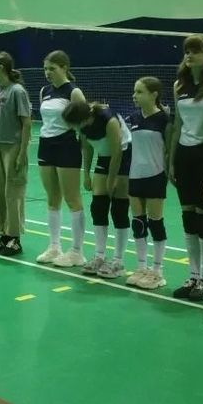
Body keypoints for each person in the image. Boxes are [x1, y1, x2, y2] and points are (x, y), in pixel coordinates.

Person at [169, 34, 203, 301]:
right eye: (186, 51)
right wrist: (171, 160)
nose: (189, 55)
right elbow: (178, 124)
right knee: (188, 219)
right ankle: (193, 276)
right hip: (184, 156)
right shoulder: (179, 85)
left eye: (195, 51)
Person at [64, 99, 132, 279]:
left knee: (119, 209)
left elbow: (117, 152)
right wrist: (86, 174)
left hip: (123, 157)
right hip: (103, 157)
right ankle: (99, 256)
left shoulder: (109, 120)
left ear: (83, 118)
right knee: (98, 207)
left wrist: (112, 179)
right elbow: (87, 149)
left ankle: (118, 261)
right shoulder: (82, 127)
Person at [36, 50, 87, 266]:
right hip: (45, 146)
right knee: (52, 199)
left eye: (52, 68)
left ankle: (77, 251)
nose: (47, 73)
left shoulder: (74, 92)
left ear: (64, 68)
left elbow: (84, 126)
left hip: (67, 146)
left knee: (72, 199)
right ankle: (54, 247)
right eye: (45, 69)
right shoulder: (44, 91)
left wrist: (83, 156)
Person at [126, 78, 173, 289]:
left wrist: (170, 172)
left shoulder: (164, 120)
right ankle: (142, 267)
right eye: (134, 91)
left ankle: (157, 271)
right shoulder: (133, 118)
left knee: (155, 223)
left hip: (156, 175)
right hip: (135, 175)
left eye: (139, 92)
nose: (134, 96)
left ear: (154, 94)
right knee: (138, 222)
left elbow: (169, 150)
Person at [0, 51, 32, 257]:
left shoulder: (17, 91)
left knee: (13, 193)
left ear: (1, 68)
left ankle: (14, 238)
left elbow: (26, 123)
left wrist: (22, 153)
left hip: (13, 146)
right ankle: (2, 235)